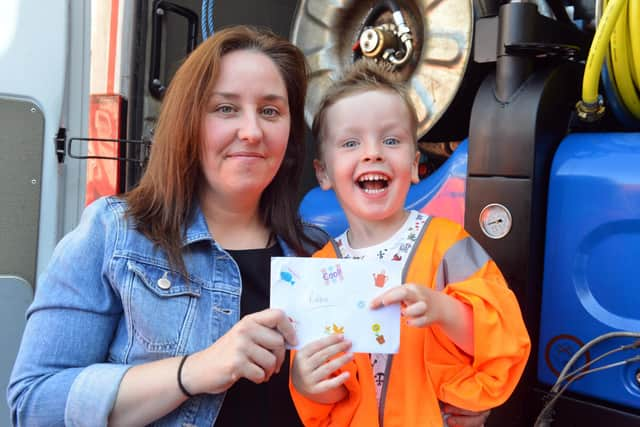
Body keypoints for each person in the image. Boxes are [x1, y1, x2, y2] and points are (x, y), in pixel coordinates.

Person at [7, 26, 489, 427]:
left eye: (271, 110)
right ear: (188, 123)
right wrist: (193, 371)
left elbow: (372, 388)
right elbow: (33, 402)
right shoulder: (115, 234)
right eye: (225, 108)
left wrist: (449, 402)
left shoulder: (322, 253)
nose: (252, 131)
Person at [289, 60, 531, 426]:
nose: (373, 153)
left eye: (391, 140)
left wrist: (443, 310)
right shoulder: (321, 271)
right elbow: (333, 395)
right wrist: (308, 383)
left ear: (416, 164)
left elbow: (501, 341)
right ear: (323, 172)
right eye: (351, 142)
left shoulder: (451, 246)